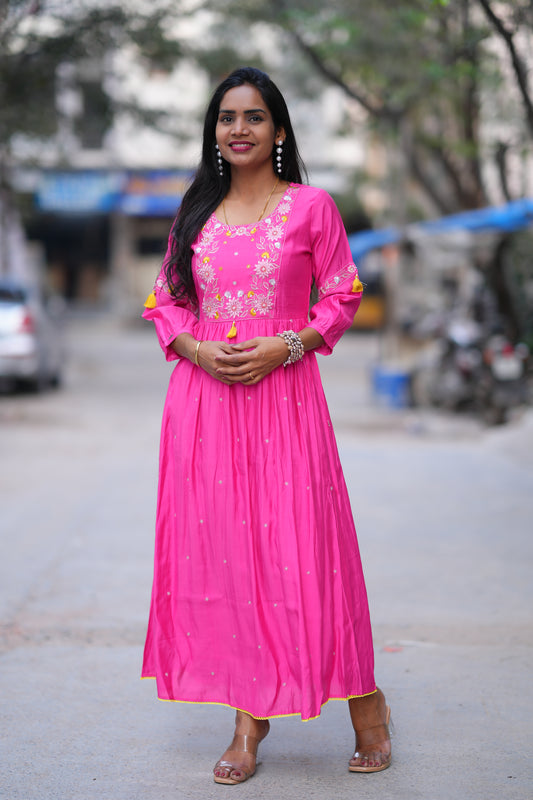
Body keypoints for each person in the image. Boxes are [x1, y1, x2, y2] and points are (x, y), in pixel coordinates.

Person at [142, 66, 392, 785]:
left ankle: (366, 705)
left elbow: (341, 294)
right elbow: (165, 300)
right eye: (227, 117)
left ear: (278, 130)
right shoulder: (196, 209)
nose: (239, 129)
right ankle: (247, 721)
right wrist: (196, 349)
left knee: (309, 549)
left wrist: (287, 345)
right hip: (205, 403)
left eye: (253, 117)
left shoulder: (312, 207)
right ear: (214, 131)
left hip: (285, 398)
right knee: (229, 559)